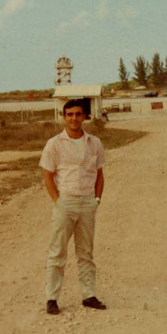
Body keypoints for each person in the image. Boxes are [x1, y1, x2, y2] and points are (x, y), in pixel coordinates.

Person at [39, 100, 106, 315]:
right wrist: (57, 201)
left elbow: (99, 174)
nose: (74, 118)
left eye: (78, 114)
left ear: (84, 116)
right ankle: (52, 298)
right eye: (70, 114)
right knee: (57, 252)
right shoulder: (54, 144)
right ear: (64, 116)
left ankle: (89, 295)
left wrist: (96, 199)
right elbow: (48, 175)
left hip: (87, 202)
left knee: (86, 252)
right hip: (65, 202)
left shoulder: (94, 143)